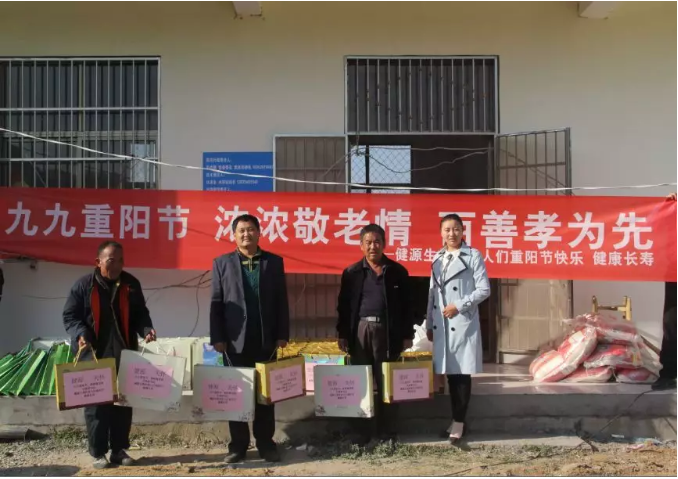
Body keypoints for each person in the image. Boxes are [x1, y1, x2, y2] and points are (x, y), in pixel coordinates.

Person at [62, 241, 156, 469]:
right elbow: (70, 316)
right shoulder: (83, 286)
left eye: (121, 260)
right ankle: (98, 453)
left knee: (123, 403)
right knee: (96, 406)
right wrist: (81, 334)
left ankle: (118, 450)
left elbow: (140, 313)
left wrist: (146, 329)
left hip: (124, 350)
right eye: (112, 260)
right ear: (98, 262)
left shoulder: (131, 283)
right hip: (93, 352)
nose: (117, 265)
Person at [210, 214, 290, 464]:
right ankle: (238, 446)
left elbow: (281, 300)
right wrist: (218, 337)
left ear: (259, 232)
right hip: (234, 341)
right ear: (234, 235)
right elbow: (216, 303)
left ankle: (266, 444)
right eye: (241, 230)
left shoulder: (273, 262)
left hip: (266, 339)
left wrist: (282, 334)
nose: (246, 234)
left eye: (251, 229)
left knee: (266, 395)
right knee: (236, 395)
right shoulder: (221, 263)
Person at [337, 223, 415, 444]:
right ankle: (362, 432)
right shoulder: (351, 273)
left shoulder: (397, 272)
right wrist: (343, 333)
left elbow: (408, 306)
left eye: (377, 242)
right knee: (361, 381)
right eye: (368, 242)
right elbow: (343, 307)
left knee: (386, 382)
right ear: (361, 246)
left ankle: (386, 432)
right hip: (360, 331)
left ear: (384, 244)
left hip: (388, 332)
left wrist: (407, 335)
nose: (373, 247)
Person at [426, 214, 490, 444]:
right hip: (442, 323)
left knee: (461, 374)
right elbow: (432, 294)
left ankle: (459, 423)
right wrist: (429, 323)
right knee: (450, 375)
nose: (451, 234)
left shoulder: (473, 255)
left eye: (456, 229)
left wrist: (459, 305)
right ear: (441, 233)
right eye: (447, 229)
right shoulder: (437, 257)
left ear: (463, 231)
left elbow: (484, 289)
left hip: (462, 322)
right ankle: (456, 420)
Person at [653, 193, 677, 390]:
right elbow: (656, 227)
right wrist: (667, 207)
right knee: (671, 323)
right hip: (675, 271)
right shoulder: (674, 207)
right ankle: (668, 373)